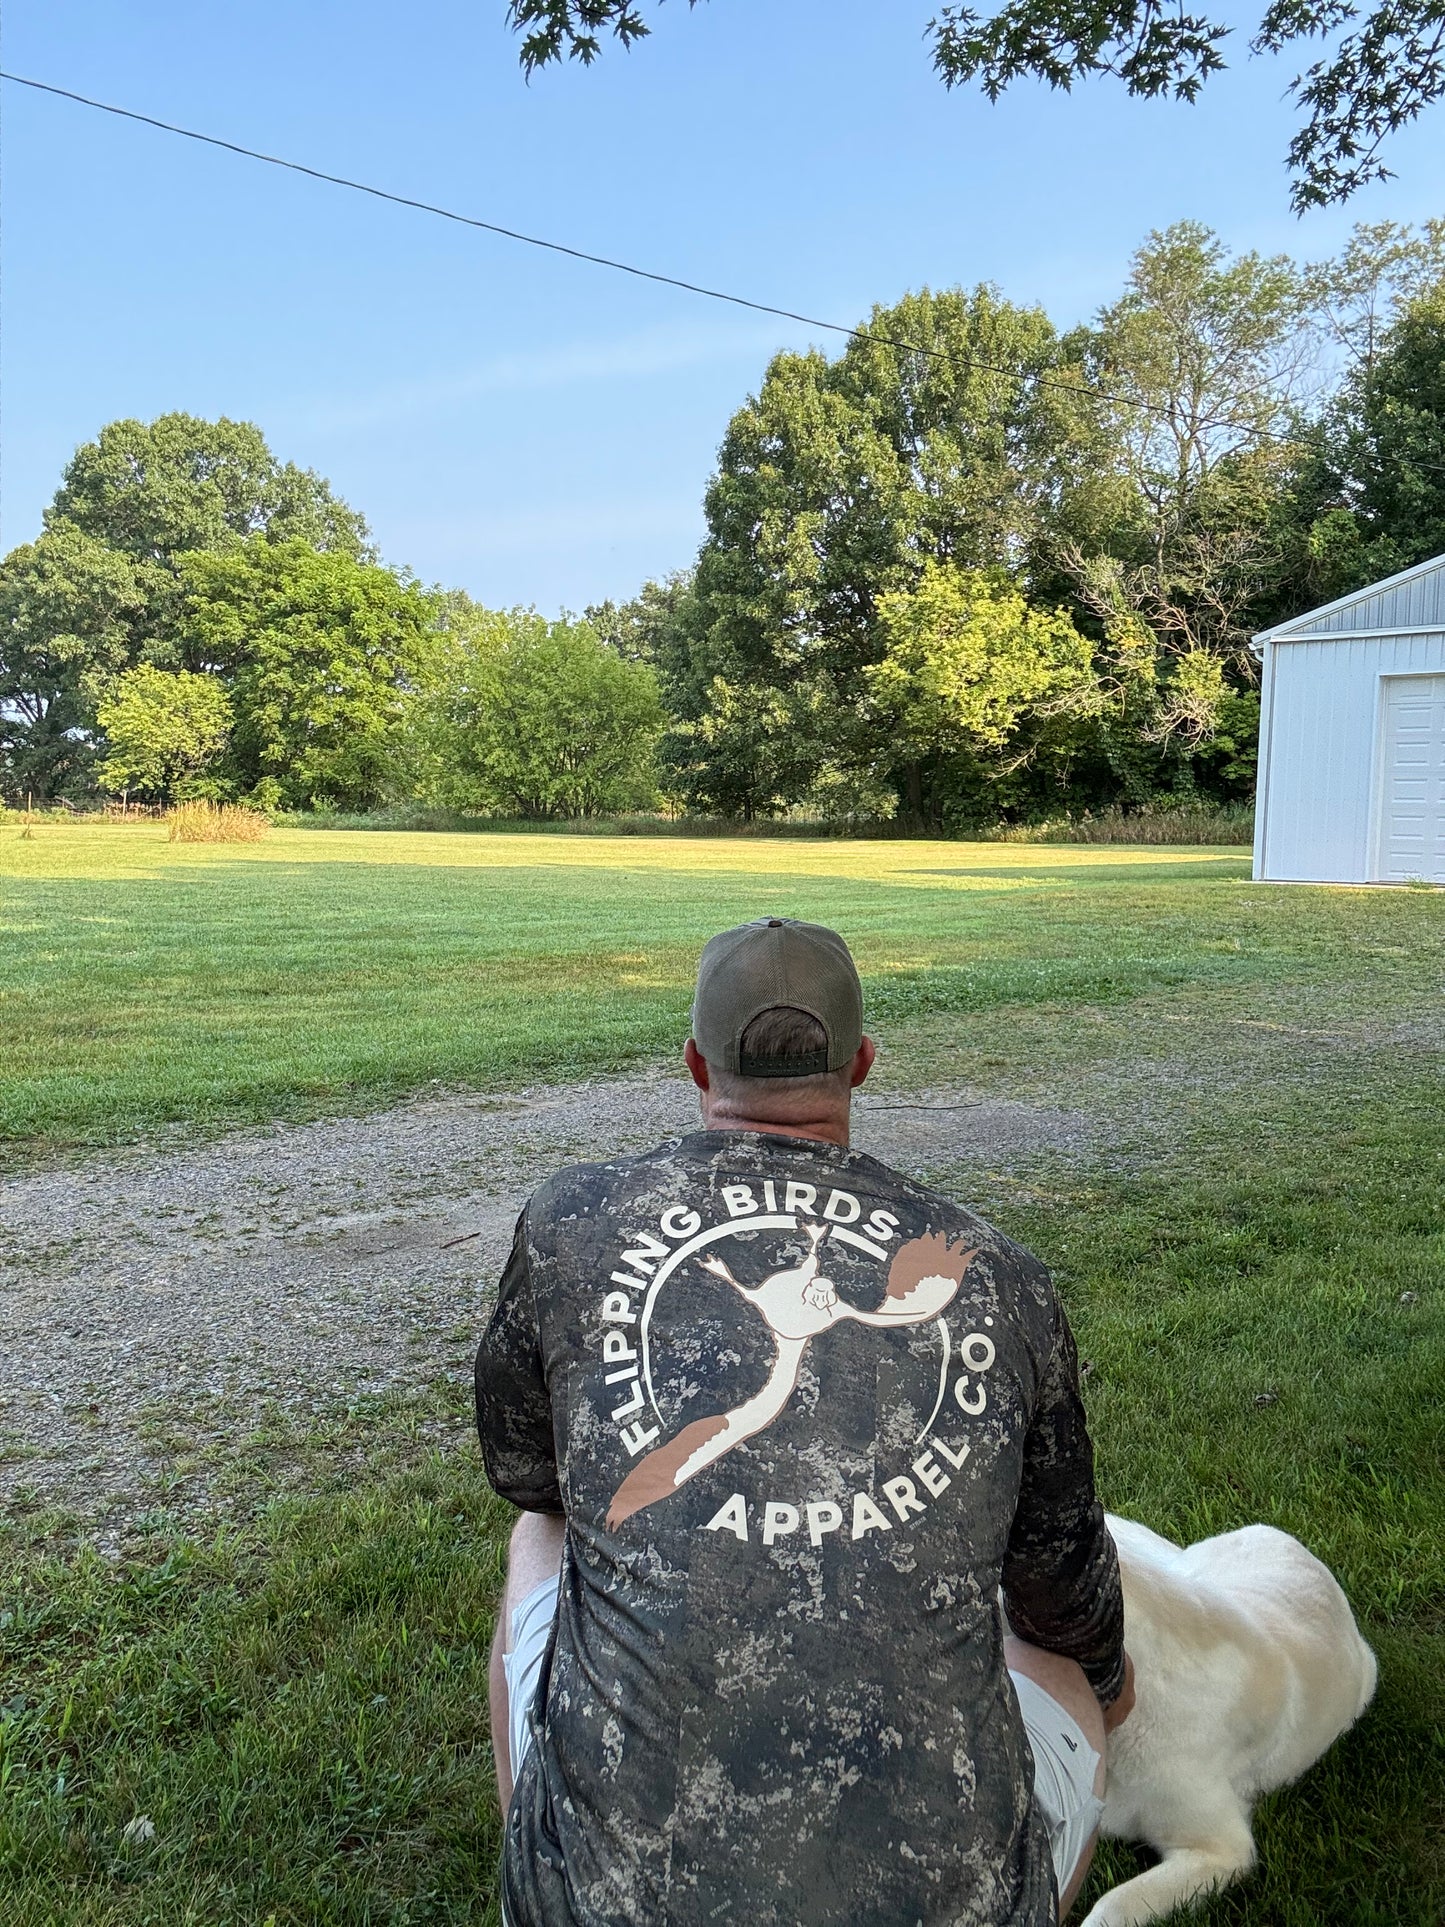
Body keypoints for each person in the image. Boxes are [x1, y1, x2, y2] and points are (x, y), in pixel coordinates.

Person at [476, 917, 1133, 1926]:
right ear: (861, 1062)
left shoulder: (570, 1216)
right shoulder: (997, 1271)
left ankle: (561, 1847)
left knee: (544, 1528)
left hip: (599, 1905)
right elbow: (1062, 1596)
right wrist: (1105, 1679)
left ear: (694, 1060)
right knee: (1082, 1685)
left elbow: (526, 1472)